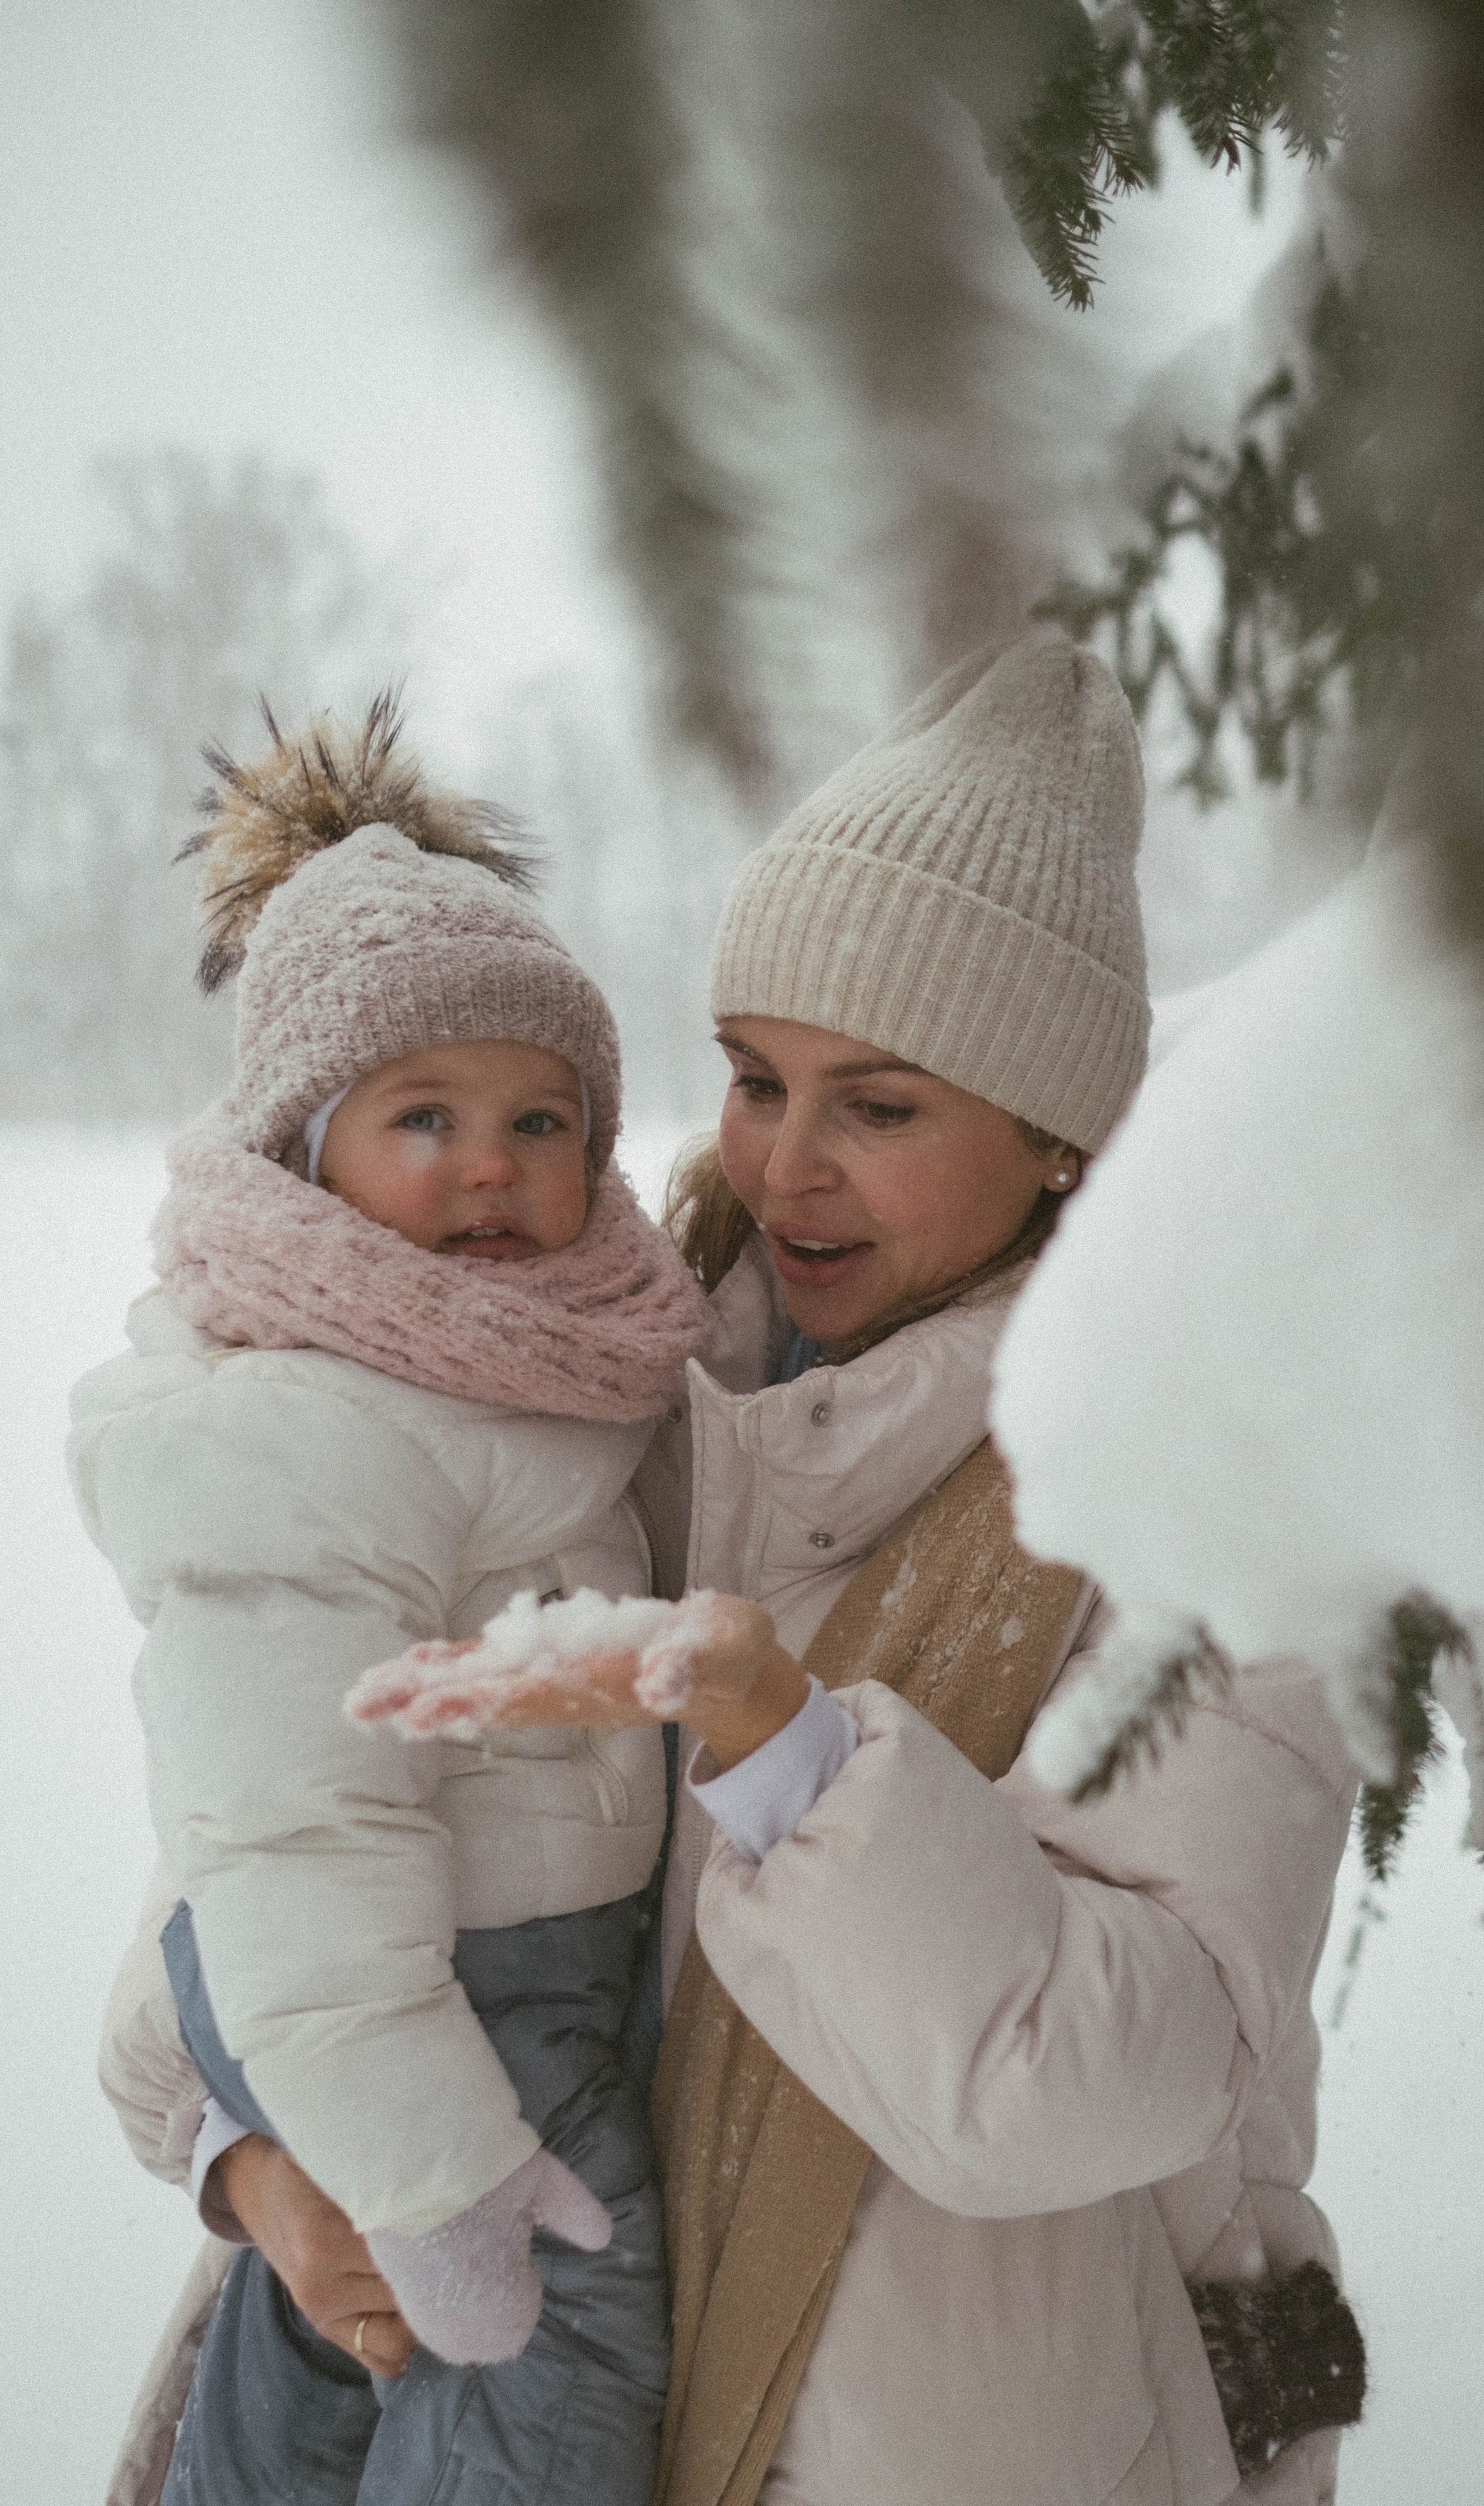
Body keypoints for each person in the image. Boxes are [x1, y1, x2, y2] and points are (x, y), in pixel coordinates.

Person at [102, 636, 1363, 2506]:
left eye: (882, 1104)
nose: (786, 1169)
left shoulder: (1200, 1489)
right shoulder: (610, 1389)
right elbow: (271, 1848)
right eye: (756, 1080)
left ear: (1051, 1135)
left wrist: (797, 1764)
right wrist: (262, 2157)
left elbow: (1109, 2065)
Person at [71, 702, 706, 2506]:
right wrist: (438, 2176)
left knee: (309, 2374)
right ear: (304, 1152)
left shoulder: (556, 1378)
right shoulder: (308, 1419)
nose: (491, 1163)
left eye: (540, 1118)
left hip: (420, 1985)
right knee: (547, 2335)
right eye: (422, 1115)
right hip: (431, 1999)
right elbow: (284, 1828)